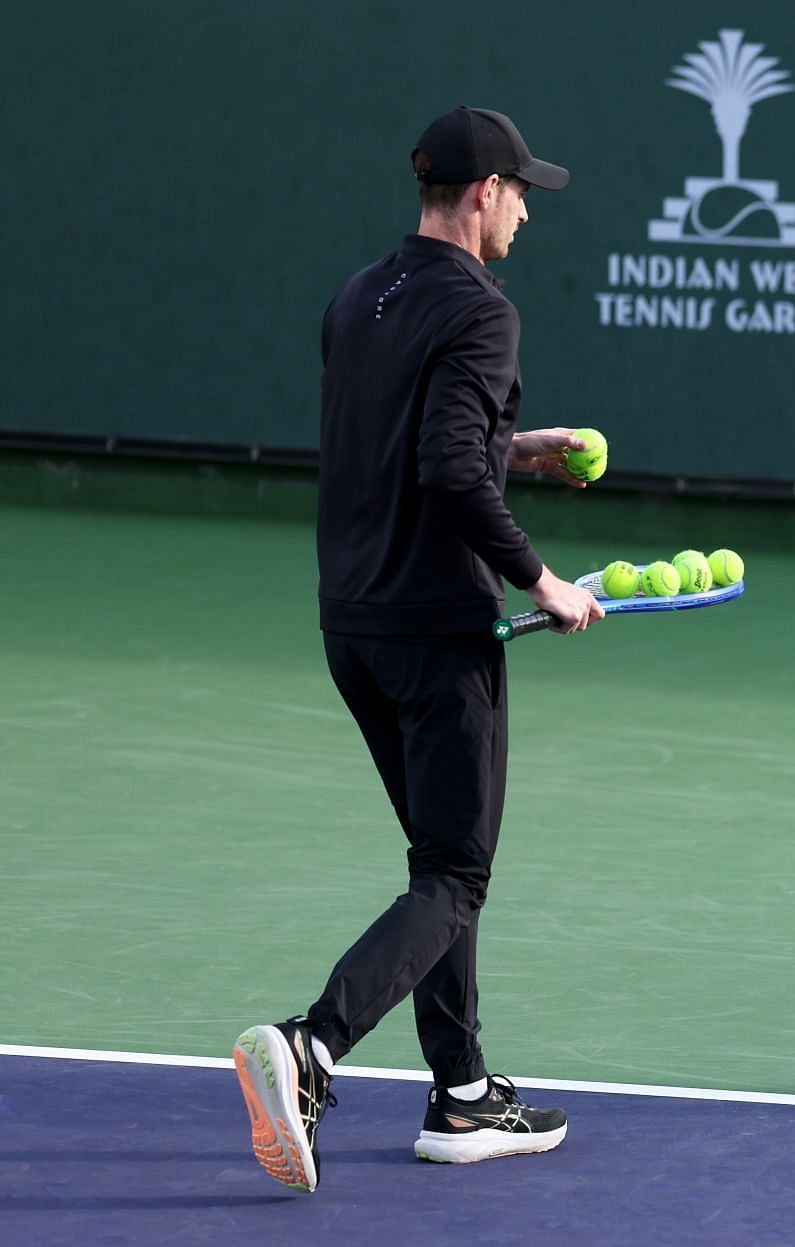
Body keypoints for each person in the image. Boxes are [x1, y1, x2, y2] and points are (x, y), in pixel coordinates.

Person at [231, 106, 606, 1192]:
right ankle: (310, 1045)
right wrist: (543, 580)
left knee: (439, 865)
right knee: (455, 869)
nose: (529, 210)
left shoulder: (361, 294)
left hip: (353, 622)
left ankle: (461, 1090)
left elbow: (408, 444)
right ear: (484, 193)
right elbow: (444, 472)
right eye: (523, 191)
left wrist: (516, 448)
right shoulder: (484, 310)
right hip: (439, 629)